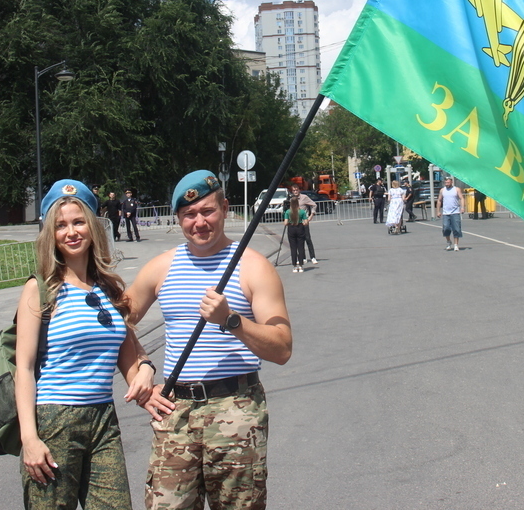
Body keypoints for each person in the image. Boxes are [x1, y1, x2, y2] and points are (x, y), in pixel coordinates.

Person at [125, 170, 292, 509]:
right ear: (178, 218)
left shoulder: (253, 266)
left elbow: (283, 347)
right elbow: (115, 327)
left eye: (207, 211)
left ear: (226, 208)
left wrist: (231, 321)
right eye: (189, 215)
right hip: (176, 411)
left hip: (237, 409)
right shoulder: (161, 268)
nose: (199, 222)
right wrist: (140, 370)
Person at [15, 179, 155, 509]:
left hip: (103, 420)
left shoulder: (108, 289)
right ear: (51, 233)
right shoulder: (40, 290)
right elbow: (22, 368)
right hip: (54, 420)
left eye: (78, 222)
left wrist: (146, 370)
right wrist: (29, 438)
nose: (71, 232)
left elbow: (131, 354)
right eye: (61, 225)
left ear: (92, 226)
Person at [288, 184, 319, 264]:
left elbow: (314, 205)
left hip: (303, 221)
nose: (295, 192)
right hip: (295, 222)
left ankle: (313, 257)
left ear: (299, 190)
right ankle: (302, 257)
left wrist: (311, 215)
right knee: (299, 241)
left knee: (307, 238)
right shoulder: (291, 199)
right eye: (293, 190)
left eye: (296, 190)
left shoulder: (304, 197)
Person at [436, 176, 465, 251]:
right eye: (445, 182)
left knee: (456, 229)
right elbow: (439, 200)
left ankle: (456, 245)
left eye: (448, 182)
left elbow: (461, 198)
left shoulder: (456, 189)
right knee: (446, 228)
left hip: (455, 212)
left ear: (451, 182)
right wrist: (438, 211)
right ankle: (448, 242)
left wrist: (462, 207)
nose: (447, 184)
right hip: (446, 213)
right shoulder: (442, 190)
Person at [284, 194, 308, 272]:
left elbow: (285, 223)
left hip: (291, 228)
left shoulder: (288, 212)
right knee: (300, 247)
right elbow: (306, 222)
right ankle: (301, 265)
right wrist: (303, 223)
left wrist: (289, 223)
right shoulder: (301, 211)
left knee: (293, 248)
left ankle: (294, 266)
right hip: (300, 227)